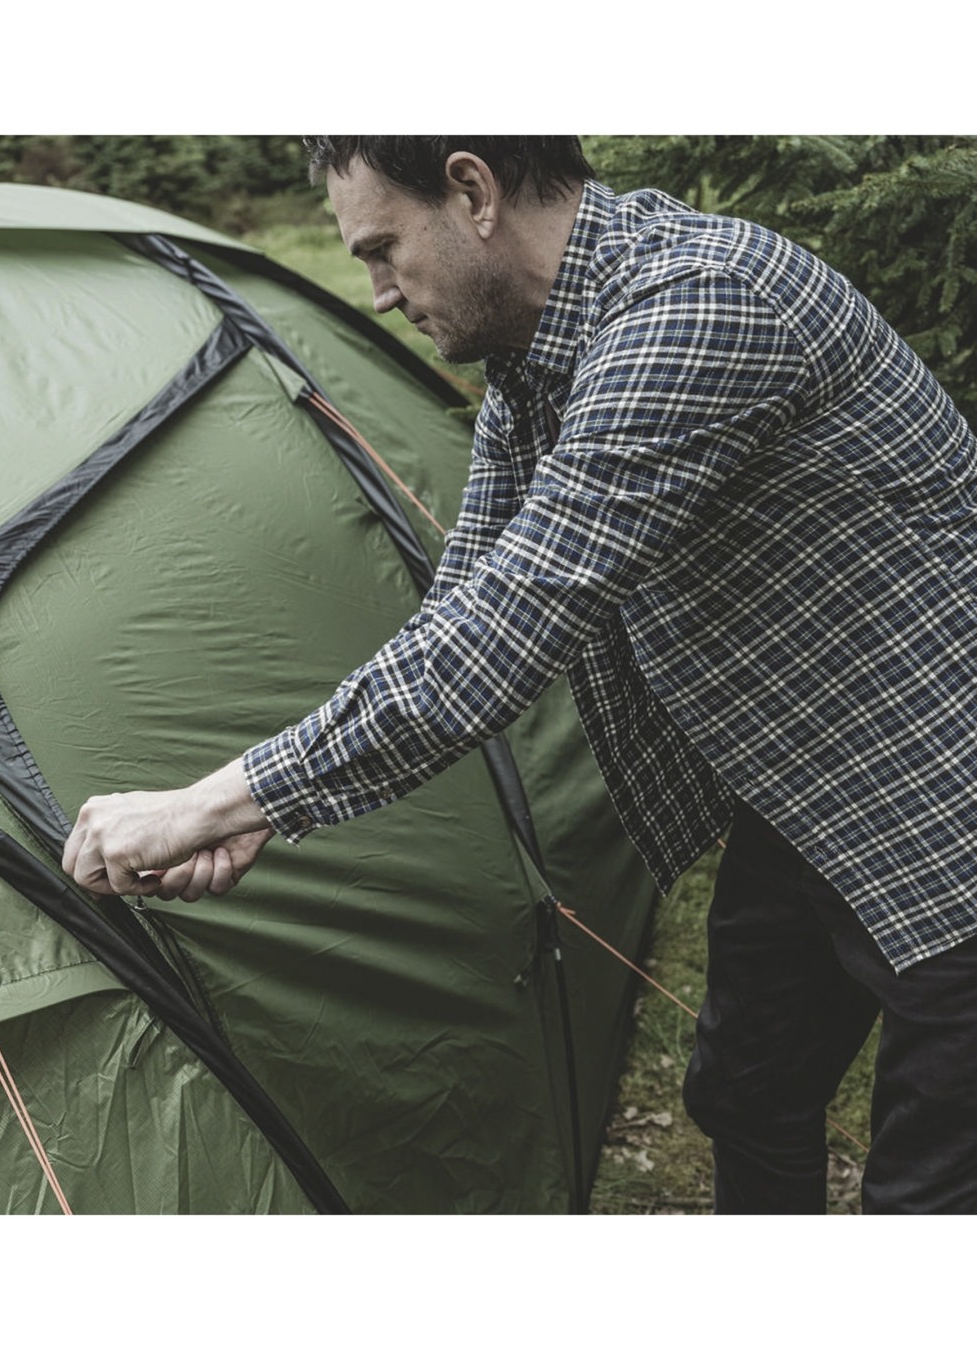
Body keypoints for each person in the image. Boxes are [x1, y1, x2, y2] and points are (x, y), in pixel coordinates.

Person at [63, 136, 977, 1214]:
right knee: (745, 1091)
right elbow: (464, 607)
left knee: (929, 1192)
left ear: (472, 190)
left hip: (943, 807)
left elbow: (499, 640)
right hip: (811, 788)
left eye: (384, 249)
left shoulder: (701, 306)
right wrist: (258, 813)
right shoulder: (539, 355)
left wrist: (209, 803)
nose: (381, 292)